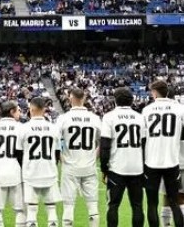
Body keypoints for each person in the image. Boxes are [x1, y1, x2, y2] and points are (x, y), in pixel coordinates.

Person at [142, 81, 184, 227]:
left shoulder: (147, 110)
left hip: (152, 163)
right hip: (172, 163)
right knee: (174, 202)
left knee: (152, 204)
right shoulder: (180, 109)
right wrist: (176, 135)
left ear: (154, 92)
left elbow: (142, 138)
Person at [100, 87, 147, 227]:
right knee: (137, 206)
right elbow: (145, 145)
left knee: (113, 205)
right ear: (132, 101)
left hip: (117, 168)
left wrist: (104, 168)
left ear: (115, 100)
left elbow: (105, 145)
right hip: (137, 168)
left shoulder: (109, 117)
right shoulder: (140, 118)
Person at [56, 88, 102, 227]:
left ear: (70, 98)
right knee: (93, 206)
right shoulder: (94, 118)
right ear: (84, 98)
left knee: (68, 206)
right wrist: (95, 156)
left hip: (70, 166)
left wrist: (61, 158)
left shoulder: (63, 118)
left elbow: (55, 142)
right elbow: (103, 141)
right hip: (89, 165)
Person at [19, 96, 61, 227]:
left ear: (31, 109)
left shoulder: (23, 128)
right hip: (49, 171)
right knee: (51, 209)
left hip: (30, 172)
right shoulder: (54, 128)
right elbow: (57, 153)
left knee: (31, 210)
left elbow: (18, 153)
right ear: (44, 110)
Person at [0, 100, 26, 227]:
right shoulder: (22, 128)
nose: (20, 112)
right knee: (20, 210)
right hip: (16, 172)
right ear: (11, 112)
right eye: (18, 110)